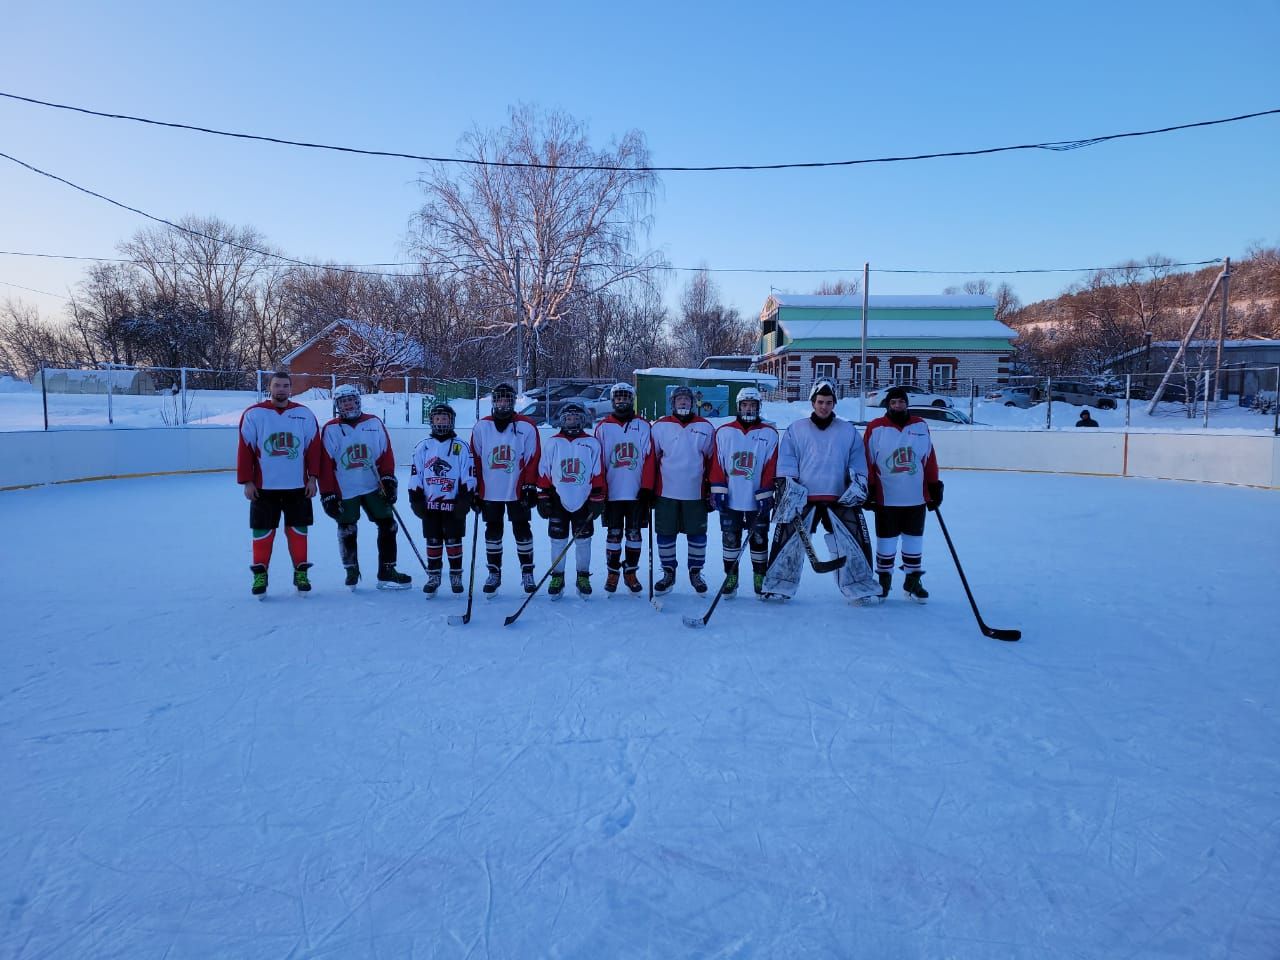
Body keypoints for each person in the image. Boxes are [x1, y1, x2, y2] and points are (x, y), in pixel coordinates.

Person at [762, 379, 880, 605]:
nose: (824, 406)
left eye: (828, 402)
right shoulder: (796, 429)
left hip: (840, 498)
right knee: (788, 543)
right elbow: (787, 460)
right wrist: (788, 486)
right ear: (812, 403)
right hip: (803, 498)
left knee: (852, 543)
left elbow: (858, 462)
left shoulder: (847, 430)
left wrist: (858, 485)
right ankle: (779, 585)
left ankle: (859, 586)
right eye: (820, 402)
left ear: (834, 403)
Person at [317, 384, 412, 590]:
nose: (348, 404)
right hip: (345, 488)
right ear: (337, 405)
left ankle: (387, 570)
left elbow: (385, 453)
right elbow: (325, 464)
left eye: (351, 400)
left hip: (372, 485)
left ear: (358, 401)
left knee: (388, 525)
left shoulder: (373, 423)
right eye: (343, 402)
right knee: (347, 528)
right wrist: (327, 493)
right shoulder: (331, 429)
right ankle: (351, 570)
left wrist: (388, 479)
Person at [236, 370, 322, 597]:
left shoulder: (304, 414)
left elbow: (313, 449)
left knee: (298, 531)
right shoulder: (255, 414)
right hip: (264, 488)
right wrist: (247, 481)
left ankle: (300, 572)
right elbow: (245, 449)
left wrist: (313, 478)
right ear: (269, 388)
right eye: (277, 385)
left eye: (285, 385)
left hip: (298, 487)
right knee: (263, 531)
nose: (281, 389)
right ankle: (260, 575)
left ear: (291, 389)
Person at [863, 385, 943, 602]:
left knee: (913, 541)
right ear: (887, 404)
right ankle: (884, 581)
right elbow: (867, 461)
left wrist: (934, 485)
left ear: (907, 403)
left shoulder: (919, 425)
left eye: (902, 402)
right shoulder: (876, 427)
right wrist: (869, 488)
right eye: (894, 402)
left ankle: (912, 580)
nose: (898, 405)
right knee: (886, 542)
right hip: (886, 497)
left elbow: (929, 458)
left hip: (915, 496)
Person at [470, 382, 541, 596]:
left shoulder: (526, 426)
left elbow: (532, 458)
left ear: (512, 401)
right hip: (490, 490)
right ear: (494, 402)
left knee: (522, 530)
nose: (503, 404)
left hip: (517, 490)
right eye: (499, 399)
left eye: (507, 399)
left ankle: (527, 572)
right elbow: (475, 459)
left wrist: (530, 485)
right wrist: (475, 489)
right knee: (493, 531)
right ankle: (494, 572)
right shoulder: (482, 426)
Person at [709, 387, 779, 597]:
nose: (749, 409)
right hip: (731, 498)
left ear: (759, 407)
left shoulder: (769, 433)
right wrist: (718, 489)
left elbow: (771, 466)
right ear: (738, 407)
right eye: (745, 405)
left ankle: (760, 577)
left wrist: (766, 492)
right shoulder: (724, 432)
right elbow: (717, 464)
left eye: (753, 405)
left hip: (757, 500)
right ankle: (731, 577)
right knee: (730, 541)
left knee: (759, 540)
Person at [649, 384, 716, 594]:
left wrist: (712, 489)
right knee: (665, 533)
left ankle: (695, 572)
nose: (683, 402)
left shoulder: (705, 427)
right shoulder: (660, 426)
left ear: (692, 403)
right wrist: (648, 488)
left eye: (687, 399)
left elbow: (712, 460)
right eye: (679, 400)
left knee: (697, 534)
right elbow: (652, 458)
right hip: (666, 492)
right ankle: (668, 572)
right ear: (673, 403)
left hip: (694, 493)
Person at [536, 400, 606, 598]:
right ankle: (557, 576)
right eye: (568, 418)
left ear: (583, 420)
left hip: (583, 500)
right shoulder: (553, 442)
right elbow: (544, 471)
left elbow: (597, 472)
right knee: (557, 540)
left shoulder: (592, 443)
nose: (572, 421)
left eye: (576, 418)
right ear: (562, 420)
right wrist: (543, 496)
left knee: (583, 541)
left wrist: (598, 498)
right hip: (558, 499)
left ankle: (583, 576)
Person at [408, 402, 476, 596]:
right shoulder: (423, 447)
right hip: (430, 504)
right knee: (433, 539)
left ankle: (456, 574)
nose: (441, 422)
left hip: (453, 504)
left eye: (445, 419)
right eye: (437, 419)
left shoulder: (460, 447)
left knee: (454, 539)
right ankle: (434, 575)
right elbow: (416, 475)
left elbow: (468, 474)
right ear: (431, 421)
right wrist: (415, 498)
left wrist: (465, 499)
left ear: (452, 421)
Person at [593, 382, 655, 594]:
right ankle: (612, 572)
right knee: (613, 534)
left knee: (634, 534)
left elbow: (650, 458)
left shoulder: (643, 425)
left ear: (632, 400)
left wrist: (647, 487)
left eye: (626, 398)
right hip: (612, 493)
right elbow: (597, 461)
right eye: (618, 398)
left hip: (637, 493)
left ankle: (631, 572)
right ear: (613, 401)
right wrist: (599, 489)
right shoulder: (603, 427)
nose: (622, 401)